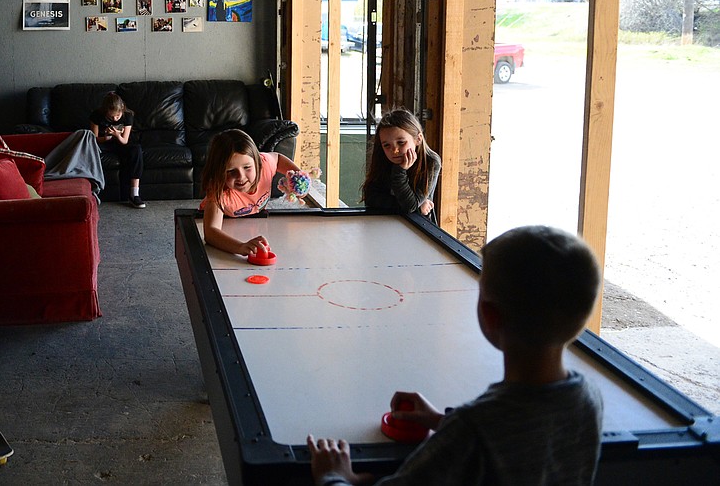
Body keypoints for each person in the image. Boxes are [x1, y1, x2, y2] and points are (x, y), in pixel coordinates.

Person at [308, 225, 604, 486]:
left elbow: (484, 435)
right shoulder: (588, 399)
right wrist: (441, 420)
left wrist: (333, 476)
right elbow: (525, 436)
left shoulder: (472, 430)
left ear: (490, 315)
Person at [198, 128, 300, 256]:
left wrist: (298, 179)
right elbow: (211, 232)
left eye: (247, 167)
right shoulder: (218, 191)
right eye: (230, 171)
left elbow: (278, 158)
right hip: (224, 221)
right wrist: (240, 247)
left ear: (257, 163)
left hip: (254, 218)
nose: (241, 177)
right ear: (219, 172)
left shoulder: (265, 164)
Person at [361, 108, 440, 218]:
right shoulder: (383, 157)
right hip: (382, 222)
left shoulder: (431, 161)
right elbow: (371, 199)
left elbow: (410, 205)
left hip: (418, 227)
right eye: (387, 145)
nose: (394, 150)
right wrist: (417, 208)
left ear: (418, 139)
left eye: (401, 143)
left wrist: (400, 171)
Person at [90, 92, 146, 208]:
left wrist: (116, 135)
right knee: (89, 150)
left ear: (122, 110)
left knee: (136, 150)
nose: (115, 118)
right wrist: (106, 137)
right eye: (111, 117)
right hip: (104, 143)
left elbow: (124, 140)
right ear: (105, 111)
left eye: (117, 116)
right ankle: (92, 192)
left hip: (121, 142)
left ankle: (134, 194)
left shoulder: (127, 115)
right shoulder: (96, 115)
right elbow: (94, 139)